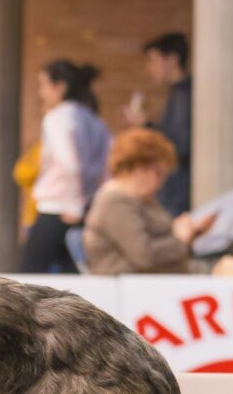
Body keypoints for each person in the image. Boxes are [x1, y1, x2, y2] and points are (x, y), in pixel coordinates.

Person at [83, 128, 214, 276]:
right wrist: (179, 238)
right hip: (132, 288)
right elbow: (144, 255)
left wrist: (190, 233)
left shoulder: (144, 200)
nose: (161, 183)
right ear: (139, 168)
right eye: (158, 174)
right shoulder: (114, 204)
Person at [20, 59, 110, 274]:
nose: (41, 93)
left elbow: (70, 163)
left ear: (60, 87)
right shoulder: (95, 121)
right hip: (84, 205)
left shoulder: (58, 117)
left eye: (44, 86)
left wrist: (74, 205)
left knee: (26, 275)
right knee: (72, 276)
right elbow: (104, 167)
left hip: (59, 207)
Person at [124, 32, 193, 216]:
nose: (149, 68)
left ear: (172, 60)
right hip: (174, 190)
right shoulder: (178, 93)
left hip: (178, 193)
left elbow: (179, 144)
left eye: (153, 61)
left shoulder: (184, 95)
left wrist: (146, 125)